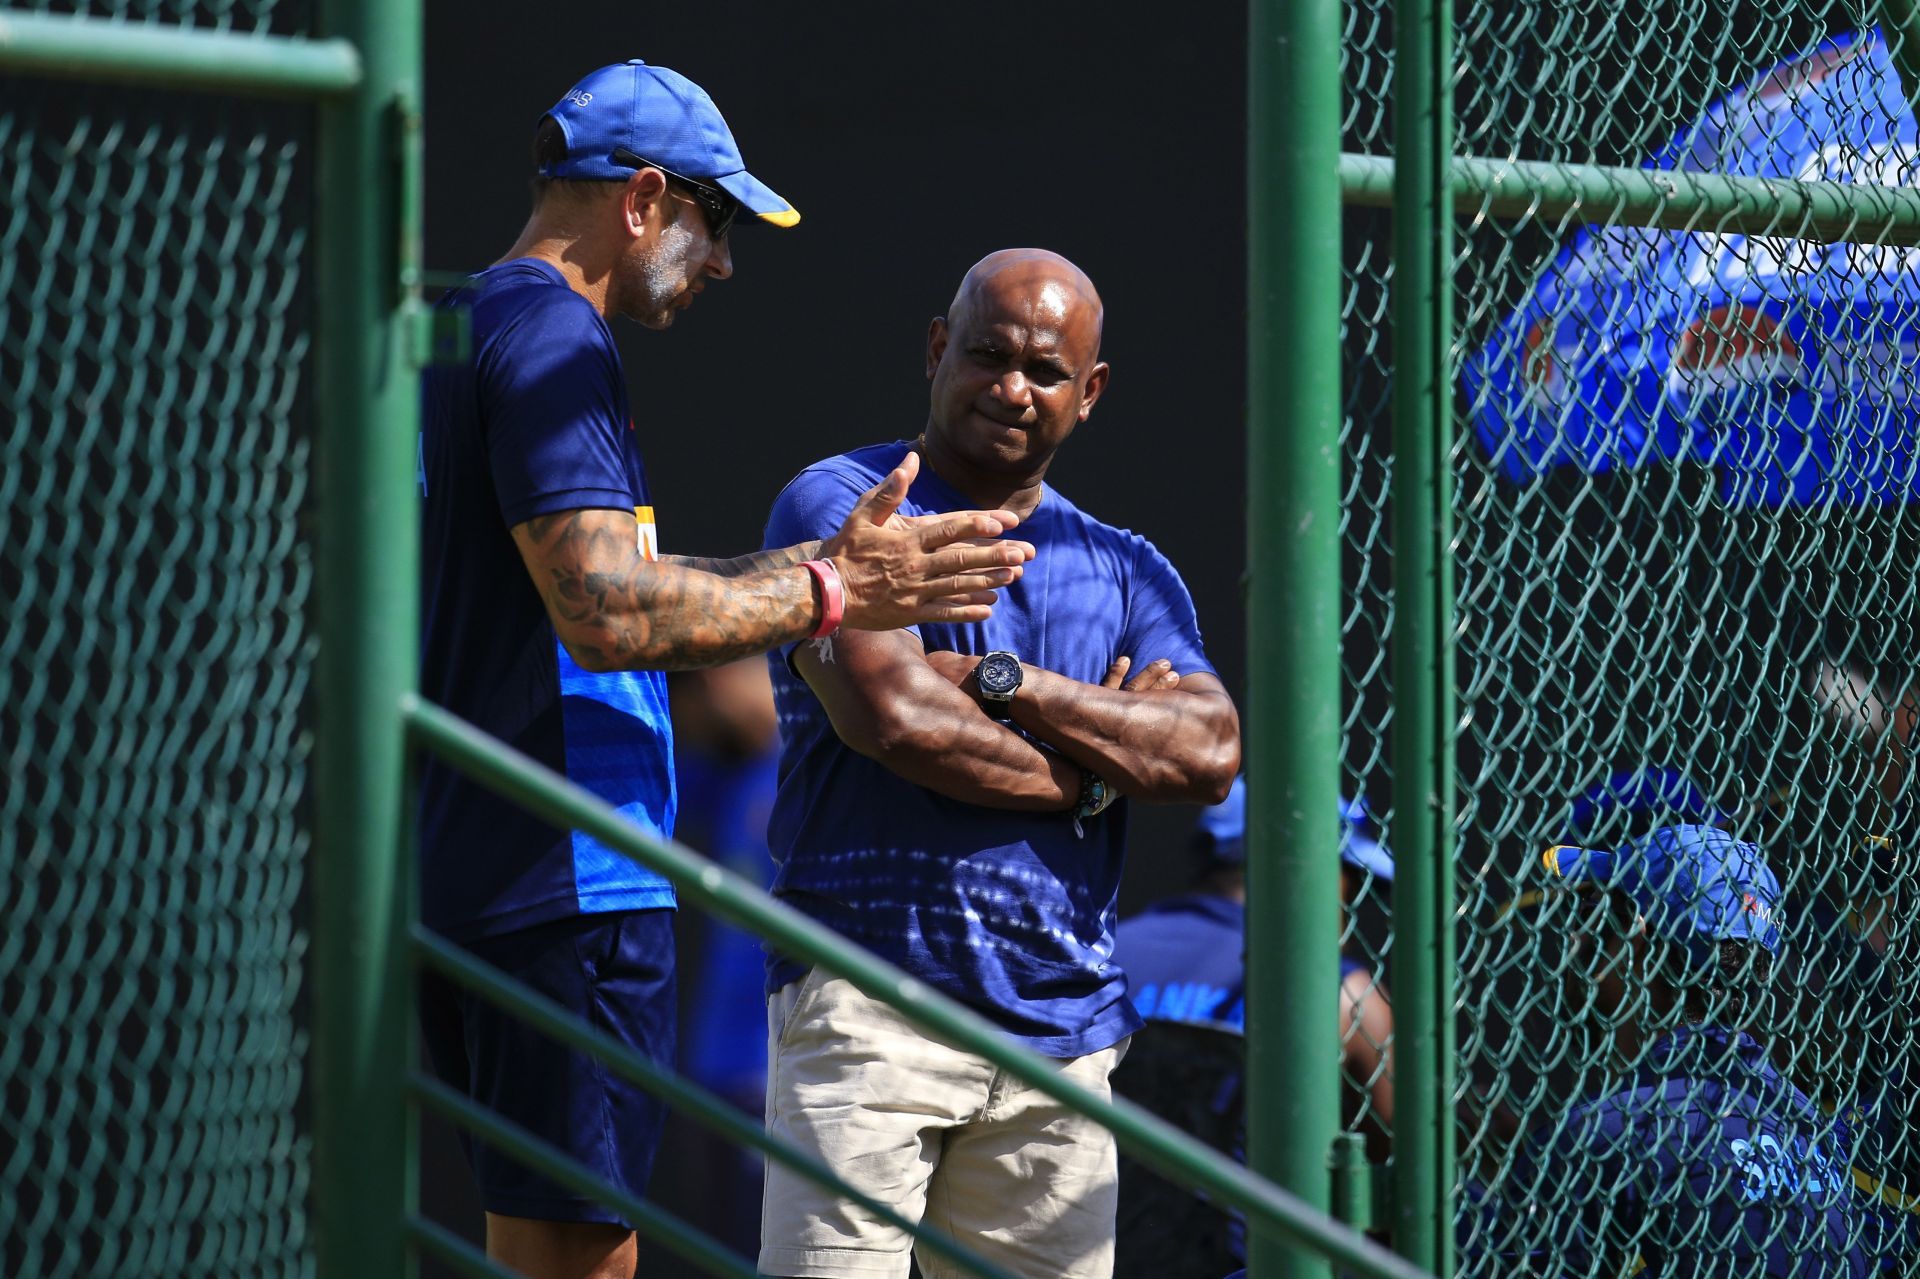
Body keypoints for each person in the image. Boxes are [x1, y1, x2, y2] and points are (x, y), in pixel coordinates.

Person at [415, 62, 1034, 1279]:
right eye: (718, 223)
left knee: (535, 1242)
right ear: (643, 199)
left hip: (492, 866)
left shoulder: (473, 320)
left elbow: (579, 583)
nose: (726, 264)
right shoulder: (554, 334)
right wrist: (837, 592)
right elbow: (603, 611)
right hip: (569, 876)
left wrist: (820, 559)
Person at [755, 248, 1242, 1279]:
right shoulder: (849, 508)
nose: (1012, 387)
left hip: (1061, 1045)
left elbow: (1207, 750)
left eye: (1046, 370)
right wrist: (1097, 772)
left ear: (1091, 391)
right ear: (938, 347)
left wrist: (1009, 683)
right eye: (987, 353)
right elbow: (892, 714)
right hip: (871, 1008)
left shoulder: (1127, 565)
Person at [1496, 821, 1873, 1276]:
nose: (1575, 939)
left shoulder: (1606, 1136)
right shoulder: (1808, 1127)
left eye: (1594, 913)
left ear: (1637, 942)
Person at [1106, 780, 1396, 1278]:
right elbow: (1406, 1168)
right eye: (1351, 876)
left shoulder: (1100, 957)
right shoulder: (1341, 989)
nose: (1351, 902)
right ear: (1311, 869)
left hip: (1088, 1249)